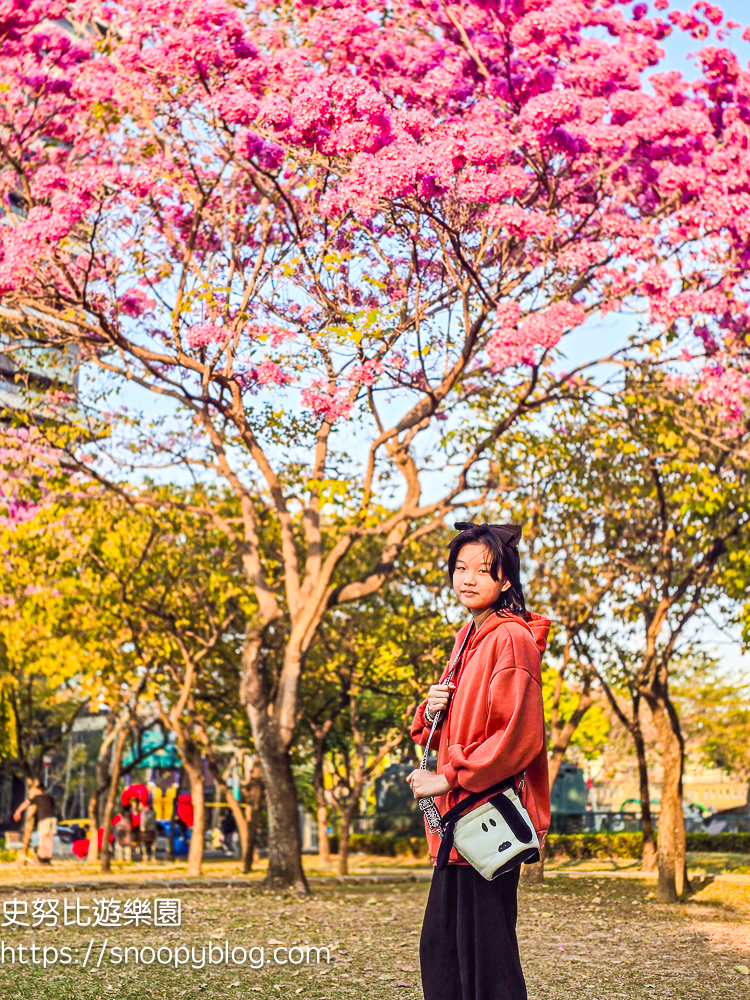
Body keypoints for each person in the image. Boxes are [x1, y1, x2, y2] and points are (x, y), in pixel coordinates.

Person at [406, 522, 551, 1000]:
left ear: (505, 580)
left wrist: (447, 776)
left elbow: (515, 738)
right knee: (446, 951)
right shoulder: (468, 638)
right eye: (460, 568)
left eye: (483, 571)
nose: (467, 579)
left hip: (487, 818)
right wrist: (429, 710)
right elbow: (450, 726)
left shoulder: (511, 639)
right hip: (459, 819)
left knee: (486, 961)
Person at [13, 779, 57, 865]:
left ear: (38, 790)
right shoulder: (49, 797)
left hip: (44, 819)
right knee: (50, 838)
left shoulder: (37, 797)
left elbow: (26, 803)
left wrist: (18, 811)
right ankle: (48, 857)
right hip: (53, 818)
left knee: (43, 838)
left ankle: (42, 857)